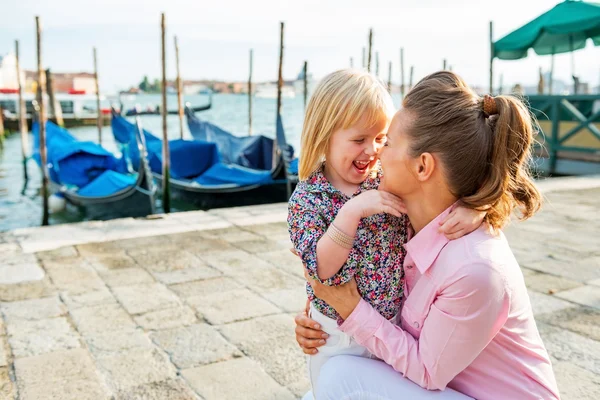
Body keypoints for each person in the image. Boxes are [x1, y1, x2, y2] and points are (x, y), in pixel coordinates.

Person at [294, 71, 561, 400]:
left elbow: (425, 370)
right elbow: (344, 262)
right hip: (446, 387)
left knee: (339, 380)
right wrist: (323, 318)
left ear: (422, 167)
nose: (377, 154)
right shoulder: (404, 218)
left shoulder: (474, 266)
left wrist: (350, 309)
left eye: (386, 141)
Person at [288, 69, 486, 399]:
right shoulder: (310, 198)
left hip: (388, 329)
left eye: (381, 139)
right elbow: (321, 270)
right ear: (324, 135)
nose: (373, 151)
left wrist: (476, 207)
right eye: (359, 140)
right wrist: (350, 213)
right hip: (337, 335)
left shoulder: (381, 183)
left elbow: (434, 198)